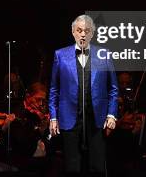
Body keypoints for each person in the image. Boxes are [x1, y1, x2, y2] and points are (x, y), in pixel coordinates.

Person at [49, 14, 119, 175]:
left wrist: (112, 114)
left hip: (97, 118)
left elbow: (113, 88)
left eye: (87, 31)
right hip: (69, 117)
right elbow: (54, 89)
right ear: (73, 32)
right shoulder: (60, 55)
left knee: (98, 167)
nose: (82, 34)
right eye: (79, 30)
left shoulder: (104, 54)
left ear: (92, 34)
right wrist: (53, 117)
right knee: (72, 167)